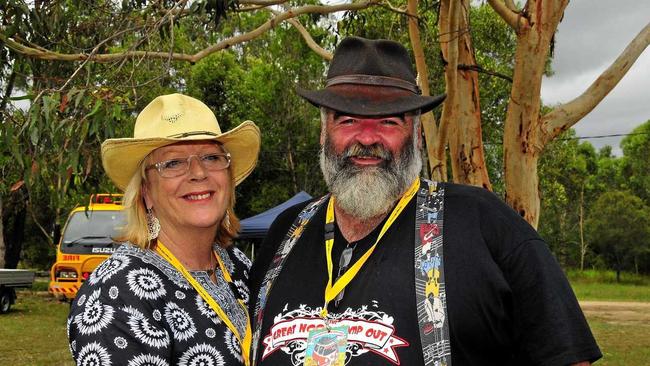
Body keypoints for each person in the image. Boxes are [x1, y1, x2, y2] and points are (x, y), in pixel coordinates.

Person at [249, 37, 601, 366]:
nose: (367, 138)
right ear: (325, 131)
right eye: (348, 120)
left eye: (388, 121)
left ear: (416, 134)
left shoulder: (486, 224)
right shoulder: (286, 233)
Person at [68, 93, 260, 366]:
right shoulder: (116, 295)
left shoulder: (239, 266)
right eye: (173, 163)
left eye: (211, 157)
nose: (198, 173)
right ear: (146, 192)